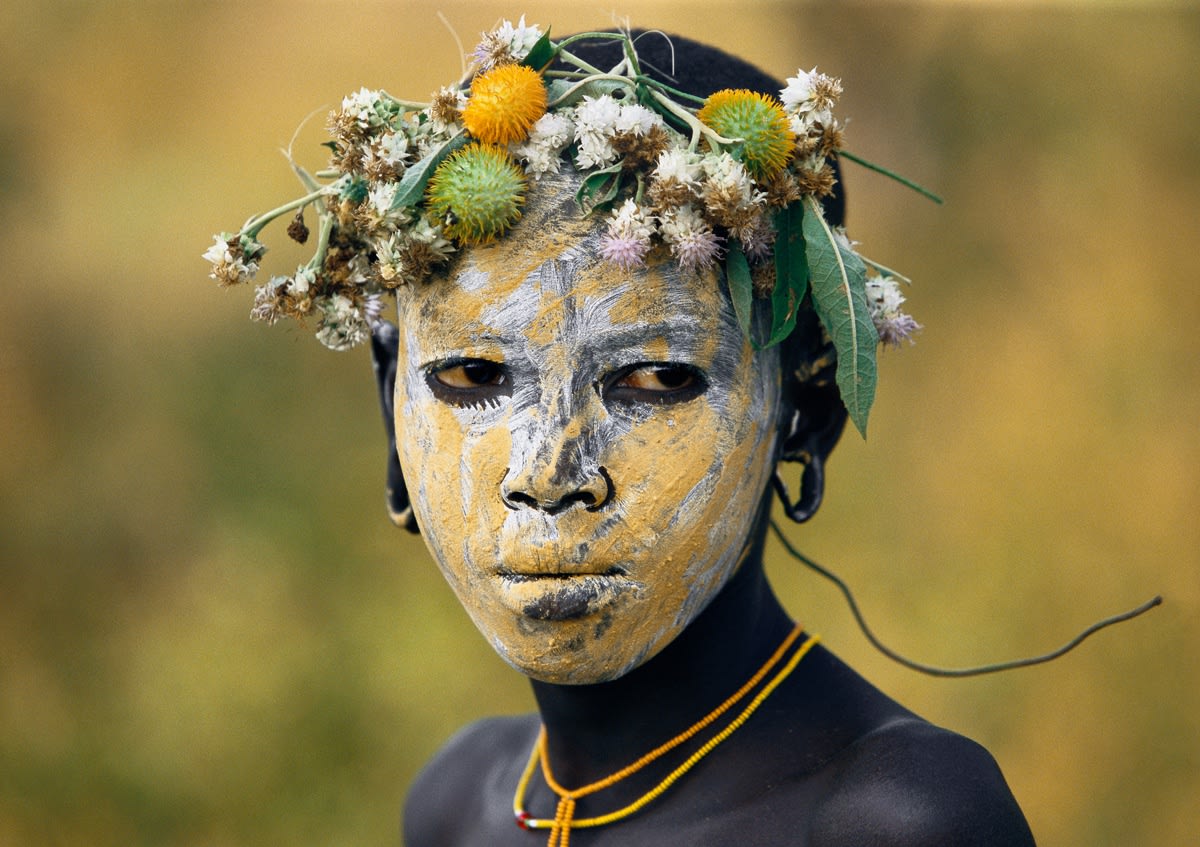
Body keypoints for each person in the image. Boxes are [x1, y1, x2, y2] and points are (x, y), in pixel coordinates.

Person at [208, 21, 1036, 846]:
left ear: (804, 417)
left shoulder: (897, 820)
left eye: (657, 379)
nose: (548, 470)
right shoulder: (459, 802)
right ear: (390, 406)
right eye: (474, 376)